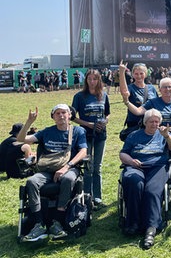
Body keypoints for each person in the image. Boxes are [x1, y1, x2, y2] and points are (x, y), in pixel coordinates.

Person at [16, 104, 88, 241]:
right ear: (53, 117)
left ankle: (58, 222)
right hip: (47, 169)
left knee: (67, 179)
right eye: (57, 113)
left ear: (70, 115)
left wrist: (66, 167)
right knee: (31, 181)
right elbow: (21, 139)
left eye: (64, 113)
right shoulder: (47, 132)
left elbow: (83, 151)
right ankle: (39, 224)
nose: (61, 115)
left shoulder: (78, 131)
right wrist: (29, 122)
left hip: (69, 167)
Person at [119, 109, 171, 249]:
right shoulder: (134, 136)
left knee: (151, 191)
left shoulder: (163, 134)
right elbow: (123, 154)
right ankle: (132, 223)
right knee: (134, 183)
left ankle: (151, 228)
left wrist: (167, 137)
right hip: (136, 166)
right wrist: (131, 161)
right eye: (151, 121)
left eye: (157, 121)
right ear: (145, 122)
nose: (154, 124)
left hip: (157, 167)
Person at [72, 69, 110, 210]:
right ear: (86, 80)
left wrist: (105, 122)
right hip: (85, 135)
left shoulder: (103, 95)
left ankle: (97, 197)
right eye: (90, 79)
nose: (92, 82)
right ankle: (87, 196)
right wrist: (88, 124)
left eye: (95, 79)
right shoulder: (79, 96)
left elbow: (107, 113)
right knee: (88, 167)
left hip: (101, 135)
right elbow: (73, 116)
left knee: (97, 167)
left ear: (99, 80)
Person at [118, 61, 158, 139]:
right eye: (136, 74)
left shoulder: (151, 88)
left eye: (141, 73)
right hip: (135, 125)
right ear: (132, 74)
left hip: (151, 126)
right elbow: (124, 92)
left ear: (145, 74)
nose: (139, 76)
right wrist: (122, 73)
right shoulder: (131, 88)